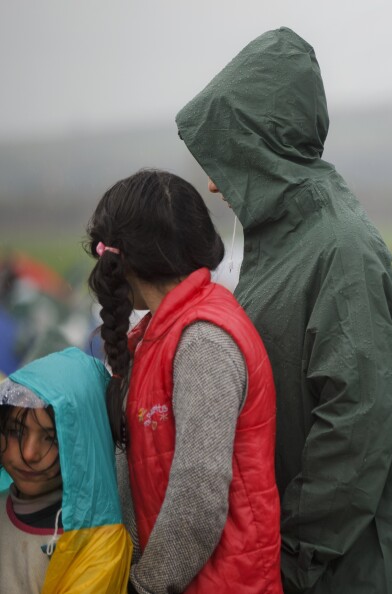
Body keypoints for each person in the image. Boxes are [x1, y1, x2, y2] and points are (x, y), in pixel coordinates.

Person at [175, 28, 392, 593]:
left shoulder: (338, 248)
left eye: (225, 158)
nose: (211, 183)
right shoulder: (287, 237)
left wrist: (292, 549)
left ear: (260, 146)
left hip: (358, 565)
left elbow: (358, 423)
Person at [86, 169, 282, 593]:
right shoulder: (162, 333)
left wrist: (145, 585)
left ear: (128, 258)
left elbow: (198, 494)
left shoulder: (202, 341)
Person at [0, 348, 132, 593]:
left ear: (83, 447)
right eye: (16, 431)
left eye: (51, 438)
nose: (29, 453)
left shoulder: (99, 546)